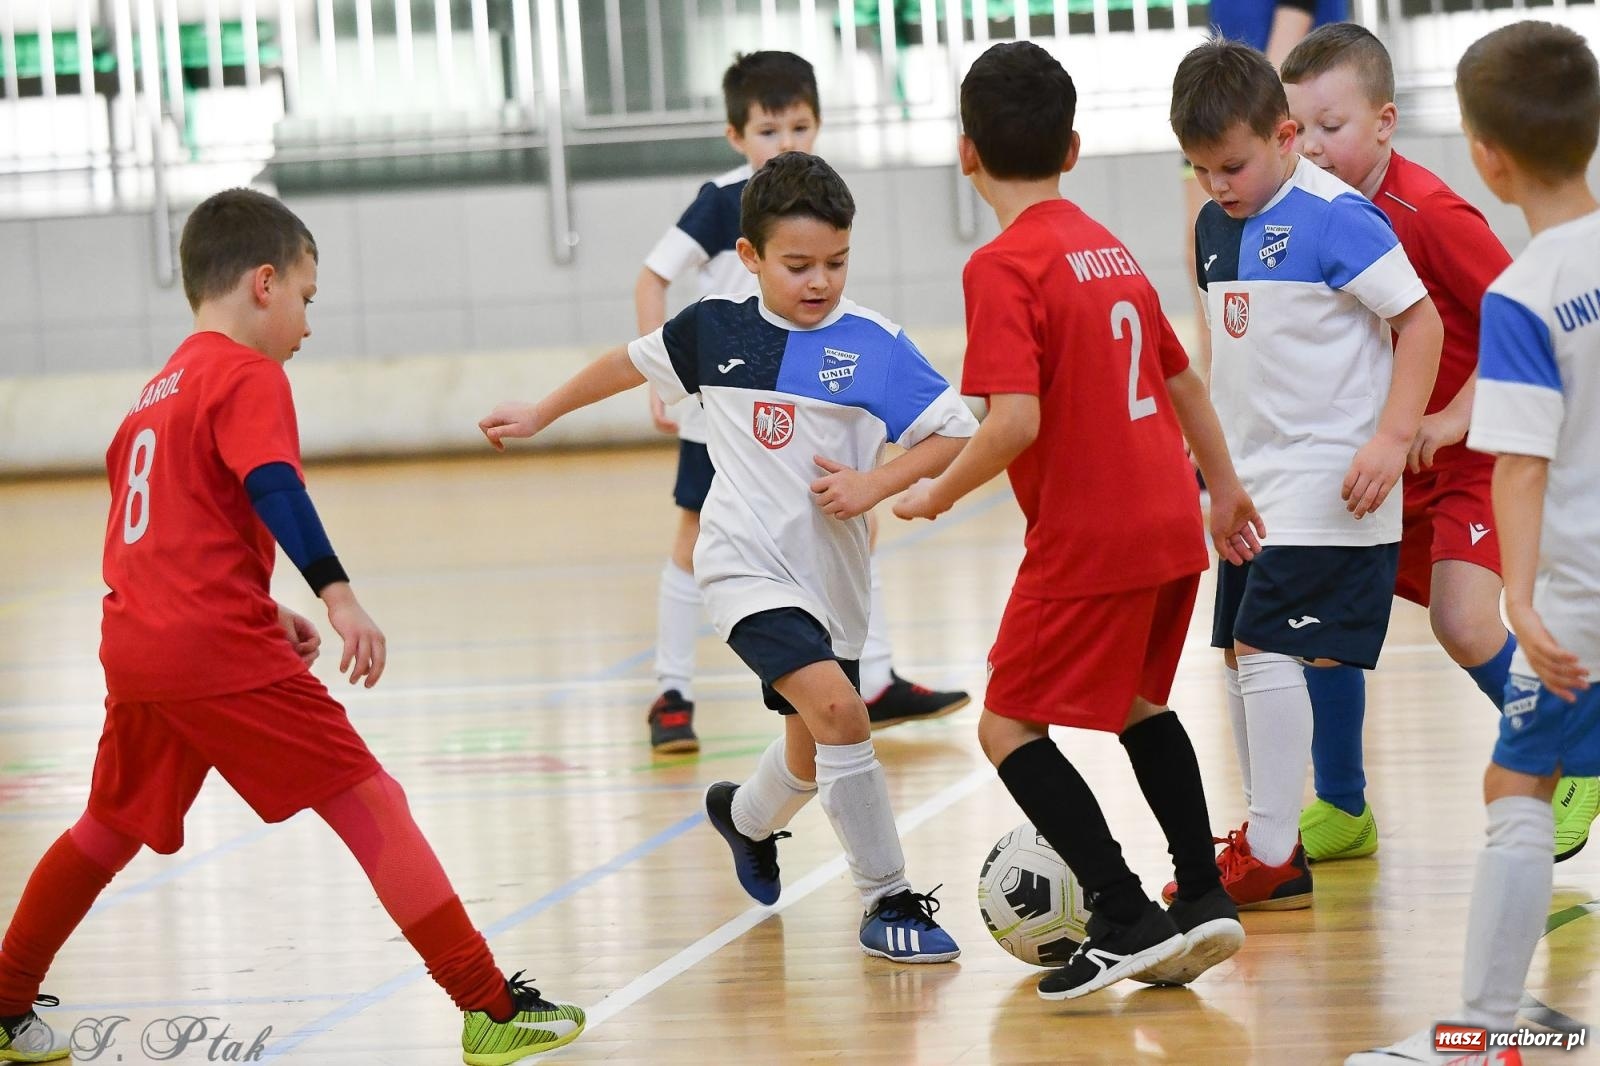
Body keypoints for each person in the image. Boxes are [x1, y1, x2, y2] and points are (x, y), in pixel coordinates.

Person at [0, 189, 582, 1066]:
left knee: (108, 827)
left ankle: (4, 1001)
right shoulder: (247, 374)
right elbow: (275, 486)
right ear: (265, 283)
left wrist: (265, 603)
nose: (309, 324)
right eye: (307, 298)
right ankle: (489, 1006)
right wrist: (337, 593)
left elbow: (161, 531)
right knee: (369, 800)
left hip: (139, 642)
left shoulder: (150, 398)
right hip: (208, 647)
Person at [483, 152, 976, 963]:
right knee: (844, 714)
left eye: (837, 262)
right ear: (749, 257)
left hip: (834, 582)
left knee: (810, 753)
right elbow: (625, 362)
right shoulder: (716, 328)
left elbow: (952, 432)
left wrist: (874, 483)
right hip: (743, 568)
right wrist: (540, 411)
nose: (820, 281)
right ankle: (888, 900)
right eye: (798, 265)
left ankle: (743, 819)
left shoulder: (876, 344)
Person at [896, 40, 1262, 999]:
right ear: (1074, 145)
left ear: (965, 153)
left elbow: (1013, 420)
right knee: (1141, 705)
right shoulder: (1108, 245)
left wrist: (936, 490)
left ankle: (1123, 910)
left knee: (1007, 725)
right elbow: (1181, 376)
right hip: (1169, 527)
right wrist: (1221, 489)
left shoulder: (1003, 265)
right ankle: (1208, 897)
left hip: (1088, 539)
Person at [1281, 23, 1598, 863]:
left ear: (1385, 123)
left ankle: (1575, 755)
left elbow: (1514, 310)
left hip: (1470, 458)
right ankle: (1343, 808)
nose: (1311, 145)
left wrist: (1457, 414)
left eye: (1331, 126)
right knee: (1322, 620)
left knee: (1464, 620)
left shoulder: (1431, 210)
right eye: (1296, 128)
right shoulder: (1307, 214)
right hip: (1385, 464)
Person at [1347, 20, 1600, 1066]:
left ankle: (1493, 1027)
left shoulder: (1522, 292)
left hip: (1581, 598)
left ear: (1485, 156)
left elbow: (1521, 463)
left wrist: (1529, 607)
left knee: (1513, 789)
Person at [1169, 39, 1443, 909]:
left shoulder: (1339, 217)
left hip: (1331, 487)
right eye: (1202, 168)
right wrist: (1212, 467)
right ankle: (1264, 834)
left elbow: (1422, 324)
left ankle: (1275, 850)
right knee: (1236, 658)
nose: (1219, 184)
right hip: (1253, 487)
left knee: (1263, 648)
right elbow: (1228, 355)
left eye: (1235, 164)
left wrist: (1393, 439)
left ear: (1287, 136)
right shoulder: (1213, 227)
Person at [635, 51, 968, 754]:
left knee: (851, 528)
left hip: (802, 399)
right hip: (728, 403)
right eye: (767, 130)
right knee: (695, 539)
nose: (784, 142)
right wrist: (661, 378)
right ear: (736, 136)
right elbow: (652, 278)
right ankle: (673, 690)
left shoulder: (818, 202)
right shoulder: (720, 200)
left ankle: (869, 677)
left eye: (799, 125)